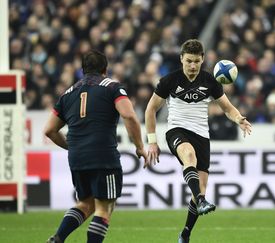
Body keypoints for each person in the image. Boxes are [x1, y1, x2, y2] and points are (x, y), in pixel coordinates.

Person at [144, 39, 252, 243]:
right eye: (188, 61)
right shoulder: (169, 80)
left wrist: (239, 119)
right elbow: (151, 109)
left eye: (196, 61)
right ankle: (202, 201)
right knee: (188, 155)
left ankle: (185, 233)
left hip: (202, 135)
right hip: (177, 130)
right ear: (181, 59)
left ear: (202, 59)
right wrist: (152, 141)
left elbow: (227, 108)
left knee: (199, 188)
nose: (192, 66)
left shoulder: (210, 81)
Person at [44, 50, 147, 243]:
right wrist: (140, 146)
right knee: (104, 208)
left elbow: (49, 130)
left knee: (85, 203)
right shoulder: (112, 87)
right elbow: (129, 115)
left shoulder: (68, 93)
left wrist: (72, 146)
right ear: (105, 69)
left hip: (77, 157)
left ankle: (58, 238)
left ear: (82, 70)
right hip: (103, 155)